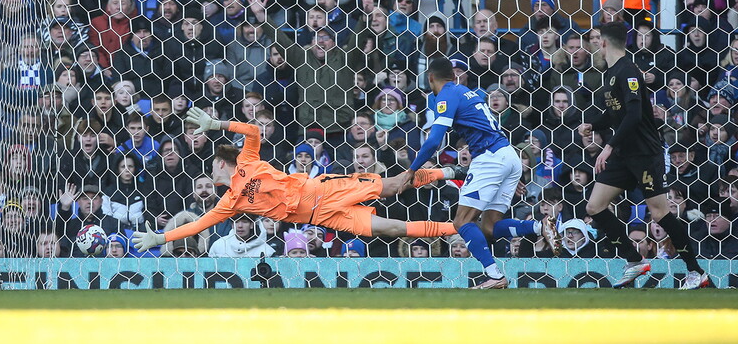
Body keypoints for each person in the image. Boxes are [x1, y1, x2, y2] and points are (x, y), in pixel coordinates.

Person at [130, 107, 460, 253]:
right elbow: (197, 226)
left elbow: (253, 130)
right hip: (324, 216)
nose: (210, 174)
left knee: (392, 186)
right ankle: (461, 228)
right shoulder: (230, 202)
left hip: (325, 188)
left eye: (212, 167)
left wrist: (216, 124)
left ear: (221, 162)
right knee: (393, 228)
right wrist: (161, 239)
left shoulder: (247, 159)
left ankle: (448, 172)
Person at [401, 57, 561, 289]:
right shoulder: (465, 91)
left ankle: (495, 275)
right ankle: (539, 226)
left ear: (430, 77)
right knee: (487, 227)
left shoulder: (446, 95)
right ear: (453, 75)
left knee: (461, 221)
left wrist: (412, 168)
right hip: (507, 155)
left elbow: (435, 139)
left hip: (490, 159)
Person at [578, 22, 708, 290]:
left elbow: (635, 114)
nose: (592, 45)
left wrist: (609, 145)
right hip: (625, 152)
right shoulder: (612, 72)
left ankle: (696, 272)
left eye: (594, 40)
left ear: (603, 42)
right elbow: (618, 113)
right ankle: (633, 259)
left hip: (644, 153)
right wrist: (595, 125)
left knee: (660, 212)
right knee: (594, 207)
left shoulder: (628, 71)